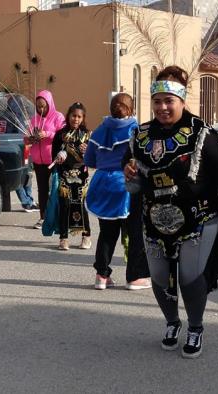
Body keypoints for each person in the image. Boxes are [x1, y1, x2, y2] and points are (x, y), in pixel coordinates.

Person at [124, 66, 218, 358]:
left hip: (198, 218)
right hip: (154, 221)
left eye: (169, 101)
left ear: (182, 99)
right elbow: (136, 181)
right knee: (158, 278)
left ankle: (196, 326)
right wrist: (129, 174)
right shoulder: (139, 136)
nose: (163, 107)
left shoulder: (203, 133)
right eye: (157, 101)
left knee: (190, 277)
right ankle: (172, 322)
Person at [84, 93, 139, 290]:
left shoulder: (99, 130)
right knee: (133, 232)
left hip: (101, 183)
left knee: (107, 233)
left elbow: (89, 160)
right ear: (131, 109)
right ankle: (134, 277)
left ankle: (101, 275)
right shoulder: (135, 129)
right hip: (125, 183)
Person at [52, 102, 92, 250]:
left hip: (81, 174)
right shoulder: (60, 135)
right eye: (73, 115)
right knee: (64, 205)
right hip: (65, 173)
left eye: (79, 116)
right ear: (68, 115)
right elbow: (53, 157)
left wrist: (87, 151)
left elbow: (93, 159)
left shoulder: (87, 135)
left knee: (82, 205)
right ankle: (63, 238)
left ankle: (86, 236)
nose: (76, 119)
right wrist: (58, 157)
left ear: (83, 118)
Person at [27, 90, 65, 229]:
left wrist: (47, 134)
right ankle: (43, 217)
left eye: (43, 106)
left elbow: (62, 135)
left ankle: (58, 217)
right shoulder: (34, 119)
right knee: (42, 190)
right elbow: (25, 137)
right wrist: (30, 138)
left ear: (50, 103)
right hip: (38, 160)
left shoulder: (58, 117)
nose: (41, 109)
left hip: (53, 160)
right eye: (38, 106)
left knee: (55, 189)